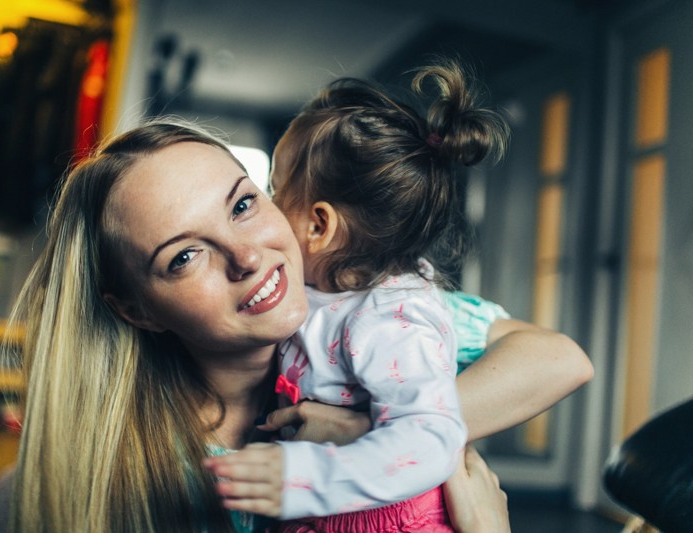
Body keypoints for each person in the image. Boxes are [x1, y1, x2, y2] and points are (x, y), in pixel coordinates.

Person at [5, 115, 590, 532]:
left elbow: (560, 358)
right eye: (184, 256)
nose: (247, 256)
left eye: (242, 204)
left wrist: (369, 431)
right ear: (135, 310)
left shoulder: (362, 305)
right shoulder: (137, 468)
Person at [202, 59, 590, 531]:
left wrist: (309, 475)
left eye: (275, 189)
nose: (267, 206)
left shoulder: (390, 319)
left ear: (319, 226)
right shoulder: (316, 291)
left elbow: (430, 435)